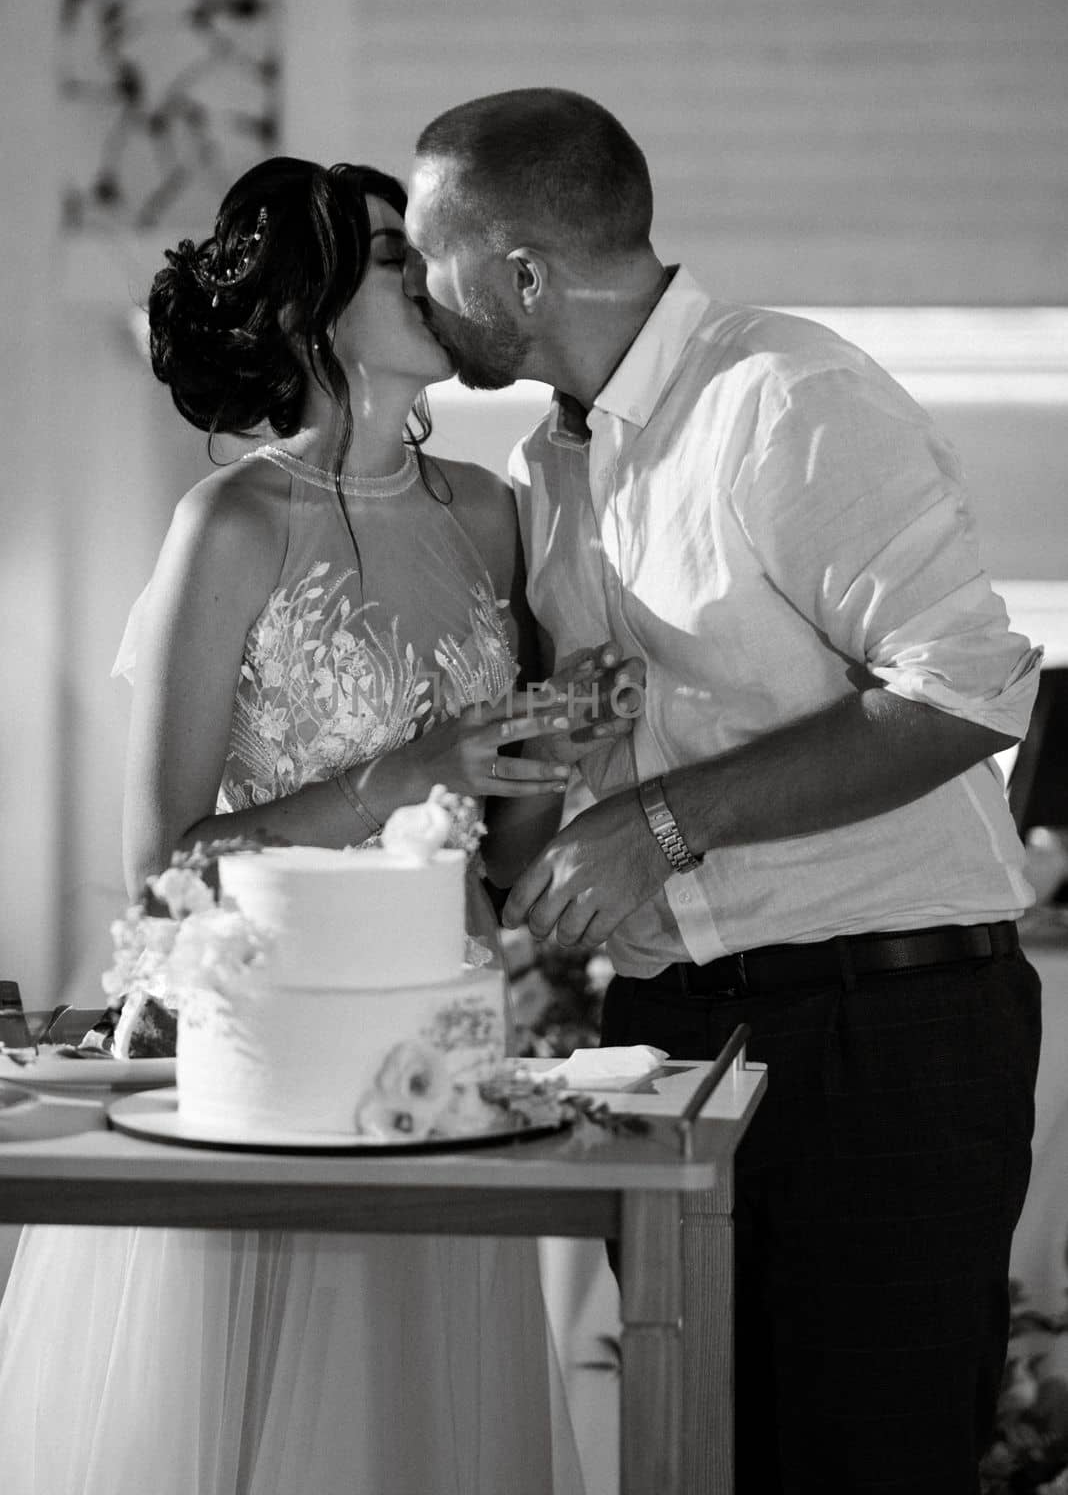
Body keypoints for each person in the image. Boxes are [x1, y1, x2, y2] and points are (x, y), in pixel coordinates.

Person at [402, 88, 1045, 1495]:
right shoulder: (544, 466)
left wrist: (666, 823)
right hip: (670, 1037)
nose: (413, 289)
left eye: (429, 259)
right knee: (702, 1461)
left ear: (519, 274)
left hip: (887, 1034)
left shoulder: (785, 396)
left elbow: (967, 690)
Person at [0, 156, 610, 1495]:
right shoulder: (230, 524)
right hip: (262, 1058)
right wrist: (400, 775)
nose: (432, 276)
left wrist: (554, 757)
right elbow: (156, 864)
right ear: (312, 308)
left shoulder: (495, 518)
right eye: (398, 256)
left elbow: (500, 865)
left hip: (437, 1048)